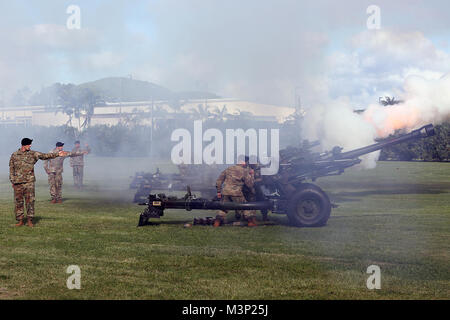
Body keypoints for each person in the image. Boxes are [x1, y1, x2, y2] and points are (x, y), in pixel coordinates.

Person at [9, 138, 67, 227]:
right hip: (18, 183)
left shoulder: (33, 154)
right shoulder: (14, 155)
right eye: (29, 144)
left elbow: (45, 156)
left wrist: (57, 154)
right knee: (18, 202)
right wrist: (12, 181)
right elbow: (11, 168)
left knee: (30, 202)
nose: (30, 146)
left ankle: (29, 220)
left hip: (29, 182)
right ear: (24, 145)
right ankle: (20, 220)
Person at [214, 155, 257, 227]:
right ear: (244, 162)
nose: (247, 164)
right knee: (245, 207)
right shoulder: (244, 171)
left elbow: (219, 181)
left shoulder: (228, 169)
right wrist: (252, 175)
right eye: (246, 162)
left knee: (224, 208)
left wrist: (218, 191)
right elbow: (250, 184)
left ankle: (217, 222)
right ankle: (250, 222)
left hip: (225, 192)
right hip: (236, 193)